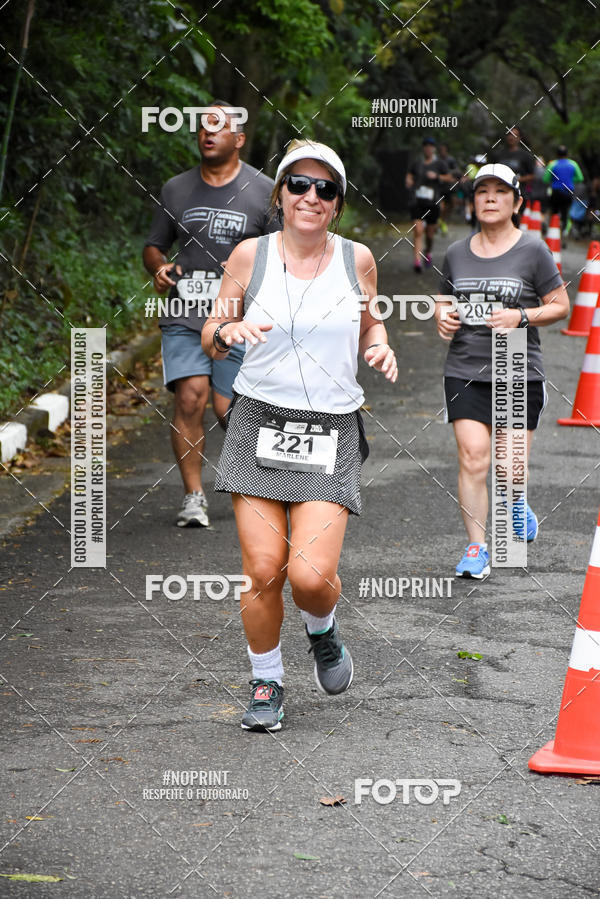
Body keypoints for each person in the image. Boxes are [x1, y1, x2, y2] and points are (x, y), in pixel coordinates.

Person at [202, 139, 397, 730]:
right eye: (300, 186)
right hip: (258, 420)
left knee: (311, 578)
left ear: (337, 203)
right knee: (263, 570)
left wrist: (381, 345)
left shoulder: (357, 259)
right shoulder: (248, 257)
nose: (311, 197)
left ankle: (323, 628)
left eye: (326, 189)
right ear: (280, 194)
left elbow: (372, 323)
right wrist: (228, 331)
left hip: (330, 428)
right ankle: (267, 683)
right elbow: (212, 328)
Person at [143, 102, 278, 528]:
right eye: (204, 126)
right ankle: (194, 497)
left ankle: (261, 485)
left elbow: (280, 254)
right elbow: (154, 245)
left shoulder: (264, 190)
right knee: (190, 396)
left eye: (219, 128)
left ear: (238, 139)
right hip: (185, 314)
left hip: (239, 318)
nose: (208, 133)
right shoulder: (176, 189)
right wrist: (159, 267)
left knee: (228, 408)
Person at [434, 163, 569, 578]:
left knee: (509, 467)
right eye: (482, 192)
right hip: (465, 367)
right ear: (473, 201)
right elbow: (443, 299)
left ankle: (516, 501)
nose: (490, 198)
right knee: (473, 459)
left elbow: (560, 306)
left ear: (516, 201)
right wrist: (443, 317)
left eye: (499, 192)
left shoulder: (533, 251)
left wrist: (521, 317)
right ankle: (477, 547)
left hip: (517, 366)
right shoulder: (455, 253)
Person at [405, 137, 452, 272]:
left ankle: (428, 252)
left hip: (433, 203)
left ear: (434, 148)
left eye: (430, 146)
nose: (428, 148)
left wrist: (437, 177)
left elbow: (449, 178)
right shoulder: (417, 163)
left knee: (430, 234)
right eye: (425, 146)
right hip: (417, 201)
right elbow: (409, 175)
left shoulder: (440, 164)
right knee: (418, 231)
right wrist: (408, 181)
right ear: (423, 148)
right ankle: (417, 262)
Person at [543, 145, 585, 238]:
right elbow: (580, 178)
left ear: (557, 154)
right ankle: (564, 233)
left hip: (555, 192)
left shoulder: (552, 164)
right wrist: (570, 180)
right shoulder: (573, 164)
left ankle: (552, 232)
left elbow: (545, 179)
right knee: (565, 212)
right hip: (568, 192)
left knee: (554, 212)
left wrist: (555, 180)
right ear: (567, 154)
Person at [491, 127, 535, 197]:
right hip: (500, 192)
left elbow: (532, 175)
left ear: (519, 138)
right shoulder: (498, 154)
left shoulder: (526, 156)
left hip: (518, 193)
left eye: (515, 135)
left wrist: (517, 180)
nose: (511, 137)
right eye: (509, 134)